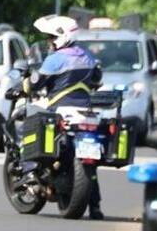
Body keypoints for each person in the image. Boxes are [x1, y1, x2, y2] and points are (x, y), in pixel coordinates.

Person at [30, 14, 105, 219]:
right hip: (87, 113)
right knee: (91, 163)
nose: (49, 42)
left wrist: (23, 86)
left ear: (60, 36)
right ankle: (96, 207)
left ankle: (38, 173)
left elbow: (37, 82)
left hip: (61, 109)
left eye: (51, 37)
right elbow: (98, 79)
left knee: (35, 133)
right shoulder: (88, 56)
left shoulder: (56, 59)